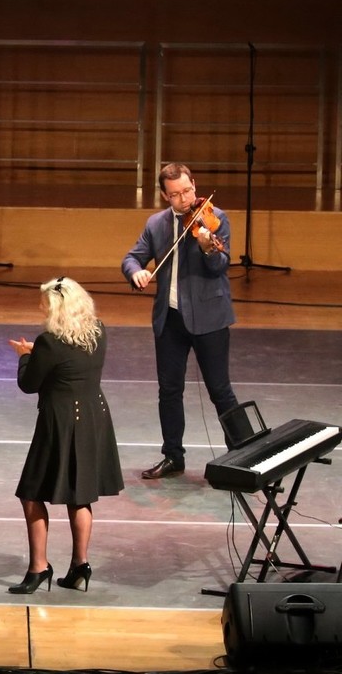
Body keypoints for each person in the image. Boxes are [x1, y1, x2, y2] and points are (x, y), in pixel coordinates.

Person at [121, 162, 239, 480]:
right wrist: (137, 271)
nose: (185, 199)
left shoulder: (215, 218)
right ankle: (173, 456)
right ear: (165, 195)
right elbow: (131, 258)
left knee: (220, 390)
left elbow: (220, 266)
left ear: (194, 185)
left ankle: (243, 456)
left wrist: (208, 249)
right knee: (169, 390)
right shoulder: (156, 224)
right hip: (170, 319)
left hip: (209, 318)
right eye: (176, 194)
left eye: (187, 191)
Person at [7, 277, 123, 594]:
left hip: (60, 422)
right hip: (93, 417)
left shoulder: (50, 342)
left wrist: (25, 356)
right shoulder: (98, 330)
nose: (41, 308)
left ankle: (38, 567)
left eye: (45, 304)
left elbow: (29, 384)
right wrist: (39, 355)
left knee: (31, 493)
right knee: (79, 495)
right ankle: (80, 566)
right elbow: (70, 363)